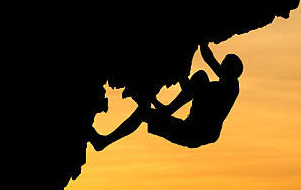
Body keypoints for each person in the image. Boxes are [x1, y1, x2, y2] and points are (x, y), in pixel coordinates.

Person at [89, 43, 243, 151]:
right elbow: (208, 62)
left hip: (192, 134)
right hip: (193, 130)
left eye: (223, 64)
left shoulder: (227, 89)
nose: (220, 66)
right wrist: (201, 43)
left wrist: (158, 99)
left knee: (144, 111)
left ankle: (103, 142)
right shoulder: (228, 83)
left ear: (229, 70)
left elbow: (194, 87)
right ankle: (164, 110)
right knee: (145, 110)